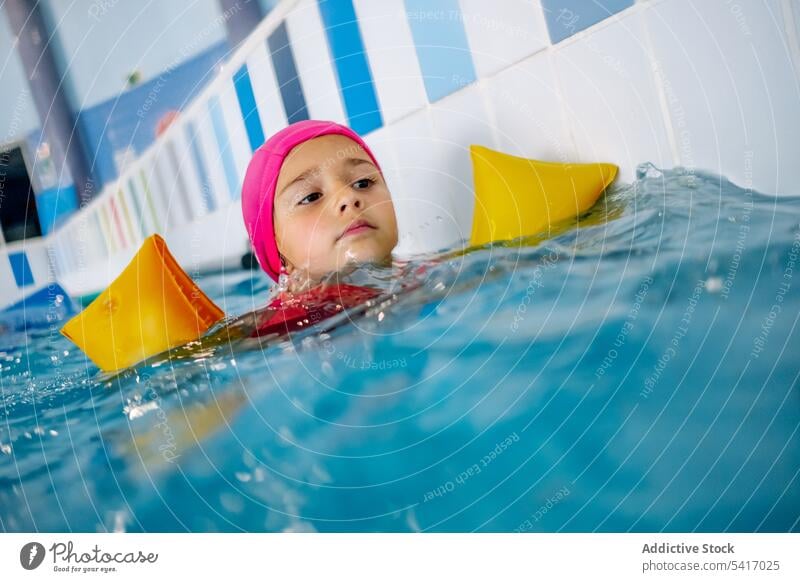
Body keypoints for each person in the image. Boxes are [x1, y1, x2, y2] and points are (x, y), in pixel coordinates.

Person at [240, 120, 400, 337]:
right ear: (276, 247)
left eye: (363, 183)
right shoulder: (277, 328)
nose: (348, 197)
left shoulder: (423, 274)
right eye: (311, 197)